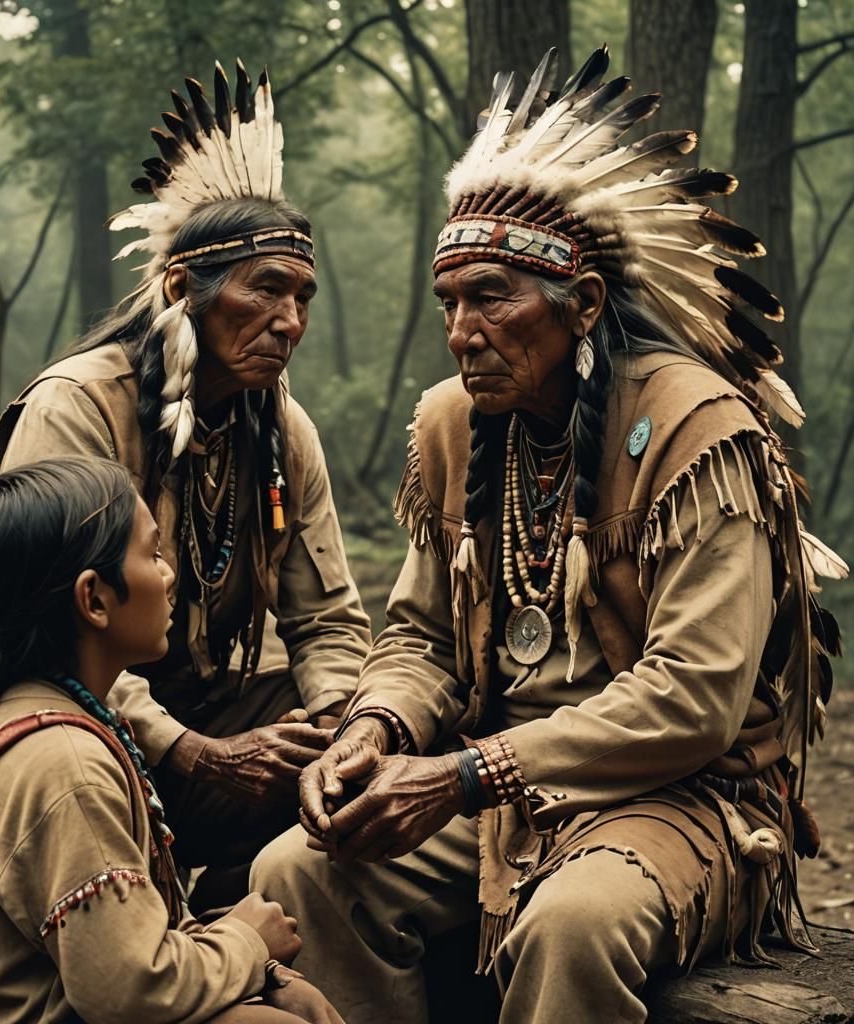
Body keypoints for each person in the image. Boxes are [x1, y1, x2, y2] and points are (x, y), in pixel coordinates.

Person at [251, 46, 846, 1024]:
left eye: (490, 295)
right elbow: (420, 637)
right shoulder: (452, 425)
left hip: (684, 799)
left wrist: (466, 771)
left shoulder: (696, 433)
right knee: (298, 868)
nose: (462, 329)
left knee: (570, 923)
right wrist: (376, 727)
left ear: (583, 303)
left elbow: (694, 696)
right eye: (450, 302)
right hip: (494, 787)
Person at [0, 61, 371, 911]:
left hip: (204, 713)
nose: (291, 323)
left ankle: (229, 901)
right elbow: (42, 641)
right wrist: (189, 751)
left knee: (373, 732)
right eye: (267, 291)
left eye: (303, 297)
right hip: (71, 723)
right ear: (183, 289)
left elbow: (326, 618)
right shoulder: (79, 410)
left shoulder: (282, 431)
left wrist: (342, 728)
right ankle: (180, 916)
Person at [0, 456, 345, 1024]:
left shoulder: (72, 721)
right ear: (94, 599)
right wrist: (247, 944)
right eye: (151, 554)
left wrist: (263, 973)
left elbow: (135, 932)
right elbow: (128, 989)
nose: (169, 573)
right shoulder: (67, 765)